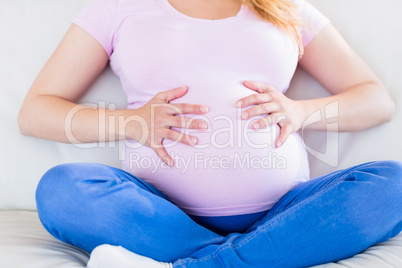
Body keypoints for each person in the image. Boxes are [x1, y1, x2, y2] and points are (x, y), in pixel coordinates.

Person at [18, 0, 402, 267]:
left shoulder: (287, 9)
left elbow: (375, 100)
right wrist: (129, 122)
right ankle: (257, 257)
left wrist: (301, 112)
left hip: (284, 213)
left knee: (395, 184)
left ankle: (199, 263)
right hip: (156, 211)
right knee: (62, 191)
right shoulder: (118, 7)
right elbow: (36, 111)